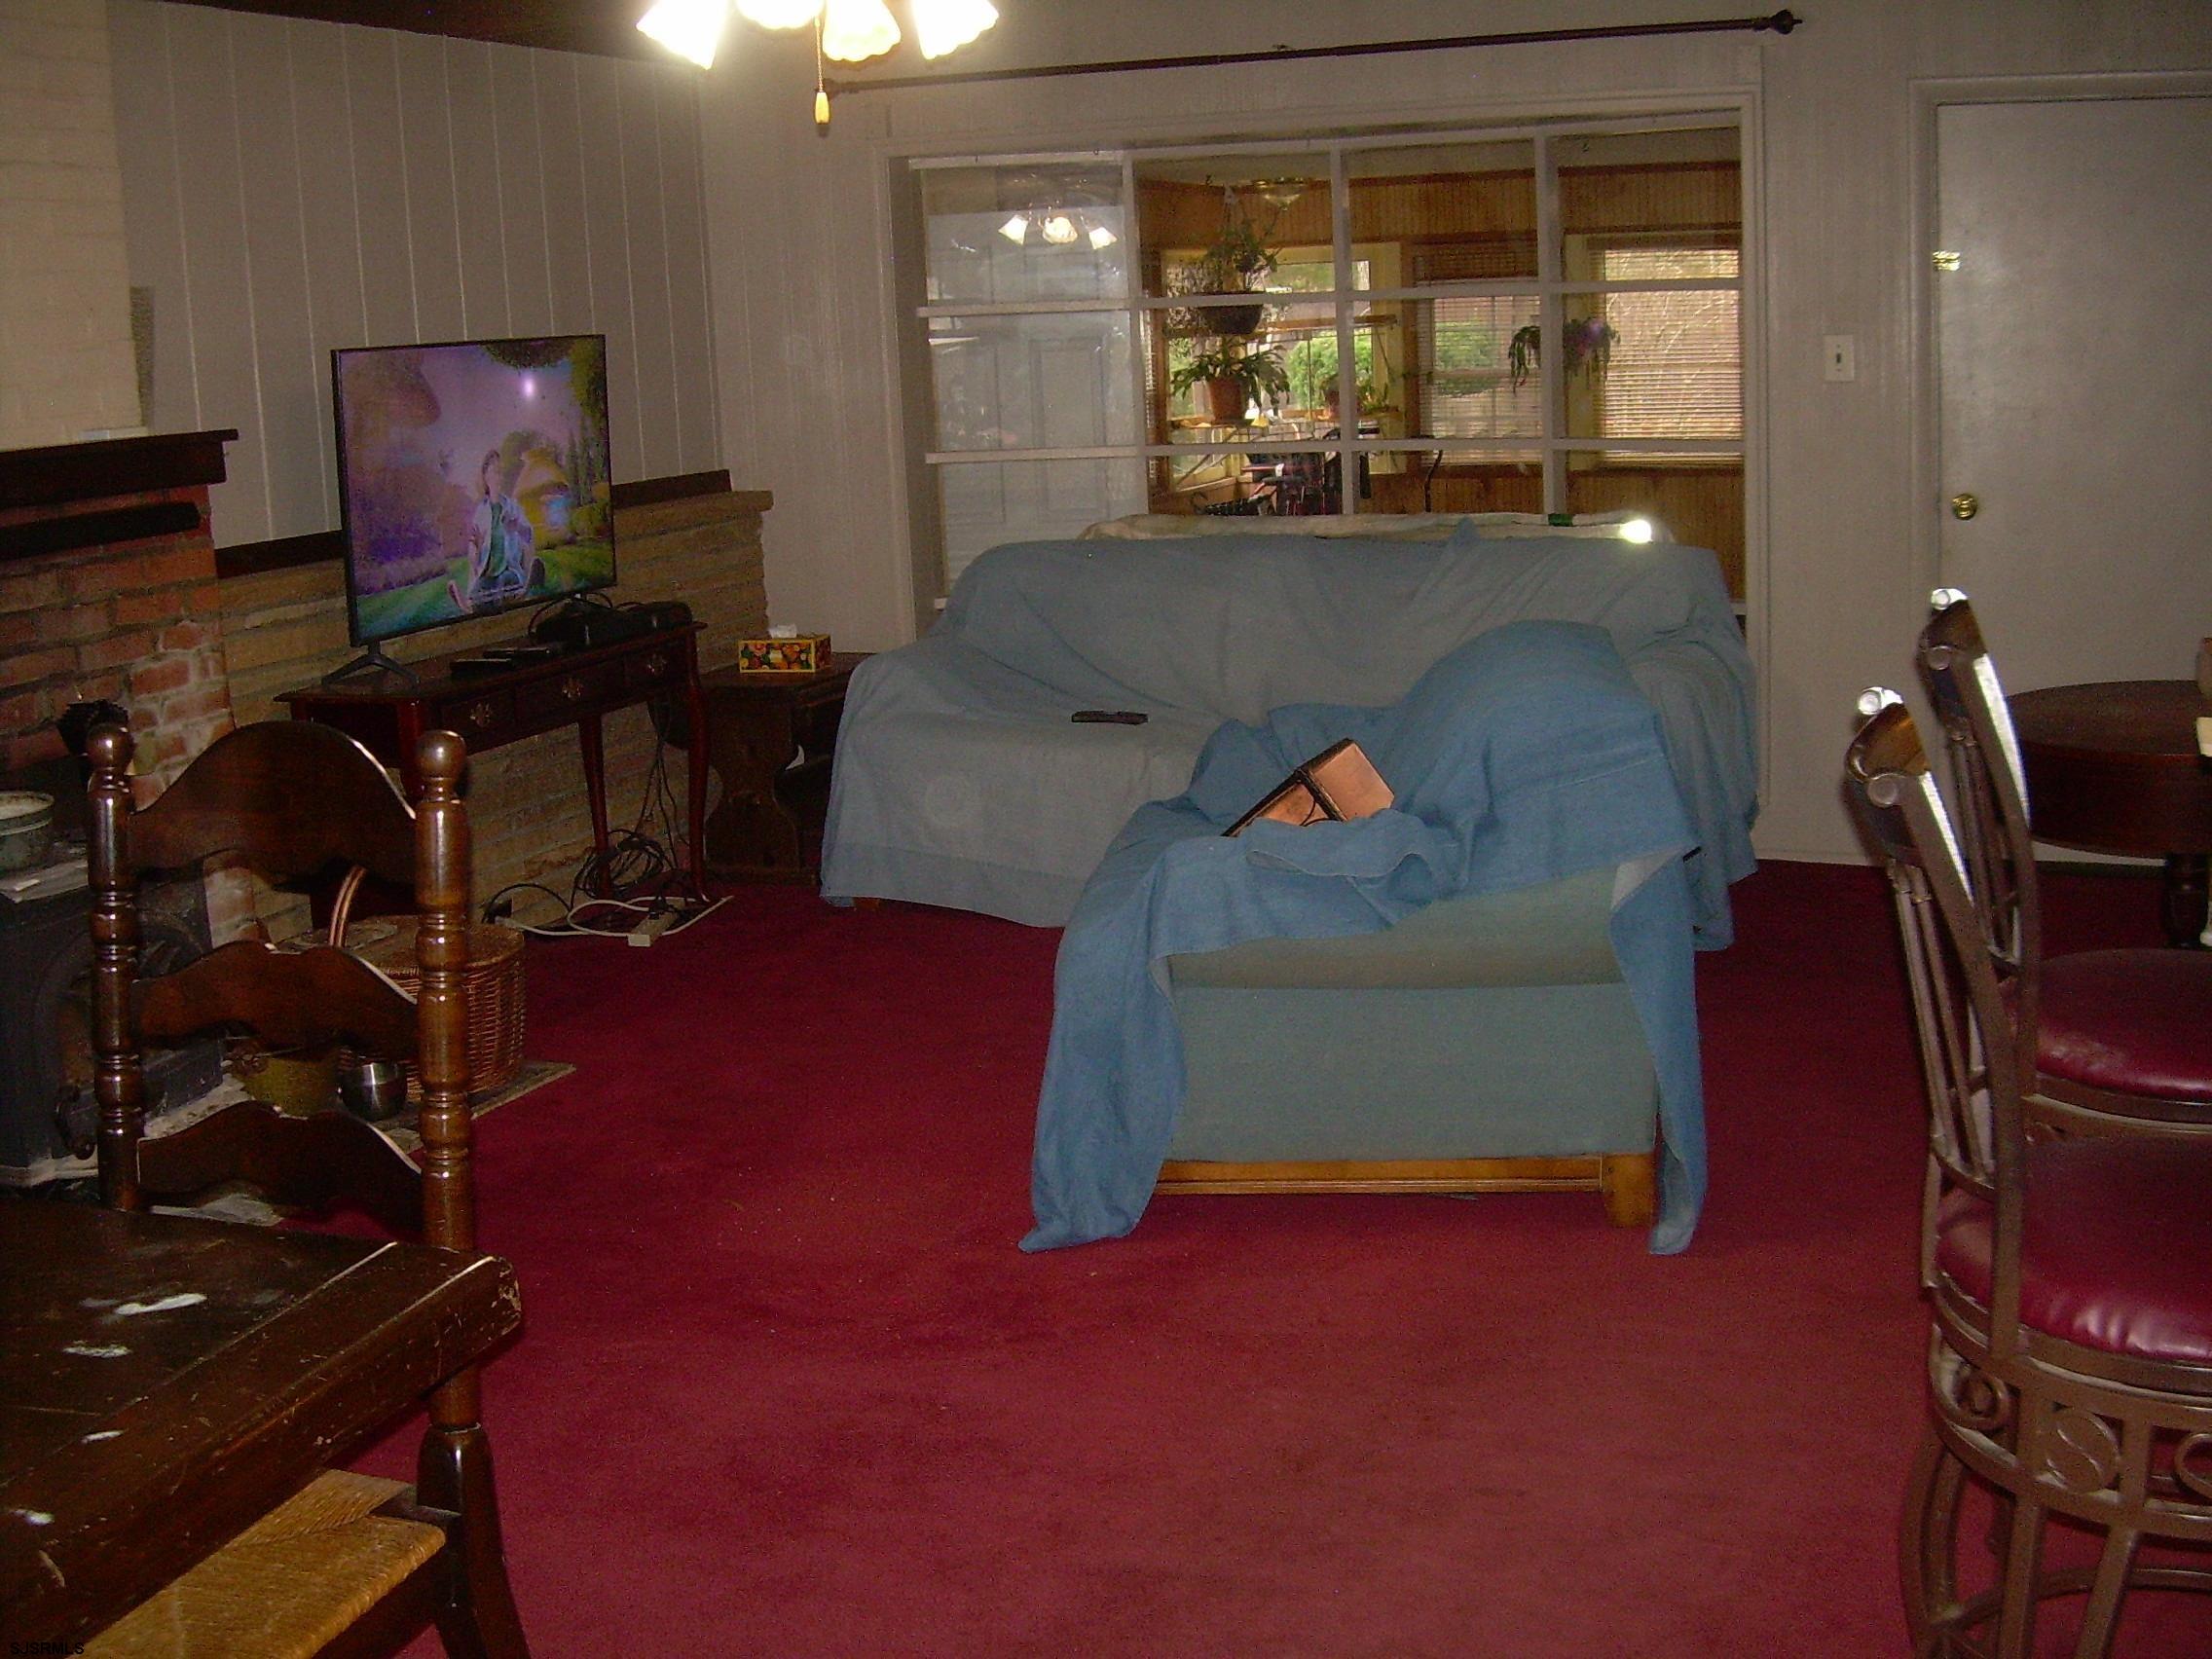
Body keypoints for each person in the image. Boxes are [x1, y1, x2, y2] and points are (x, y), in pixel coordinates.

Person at [448, 450, 542, 613]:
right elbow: (473, 556)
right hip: (487, 574)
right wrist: (475, 547)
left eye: (500, 471)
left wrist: (517, 527)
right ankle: (475, 605)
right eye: (494, 471)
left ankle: (514, 595)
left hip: (510, 570)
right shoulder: (480, 513)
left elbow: (529, 535)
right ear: (486, 476)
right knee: (479, 591)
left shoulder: (513, 506)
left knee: (505, 582)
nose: (499, 476)